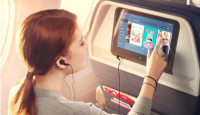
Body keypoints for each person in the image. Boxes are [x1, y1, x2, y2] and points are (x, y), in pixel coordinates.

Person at [8, 9, 167, 115]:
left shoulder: (16, 92)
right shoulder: (76, 111)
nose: (87, 44)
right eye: (81, 43)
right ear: (62, 61)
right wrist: (151, 77)